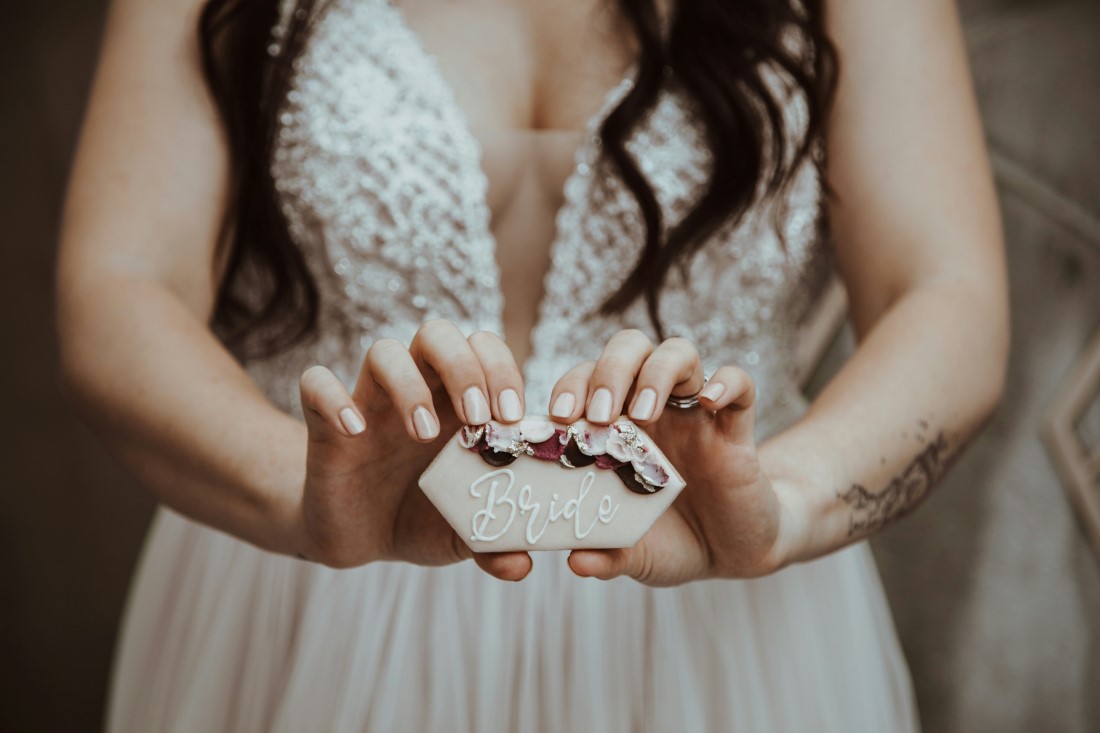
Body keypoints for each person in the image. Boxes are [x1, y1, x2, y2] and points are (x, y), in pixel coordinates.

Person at [57, 0, 1008, 729]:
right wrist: (298, 490)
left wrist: (786, 503)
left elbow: (946, 292)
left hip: (722, 621)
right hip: (303, 598)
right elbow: (122, 284)